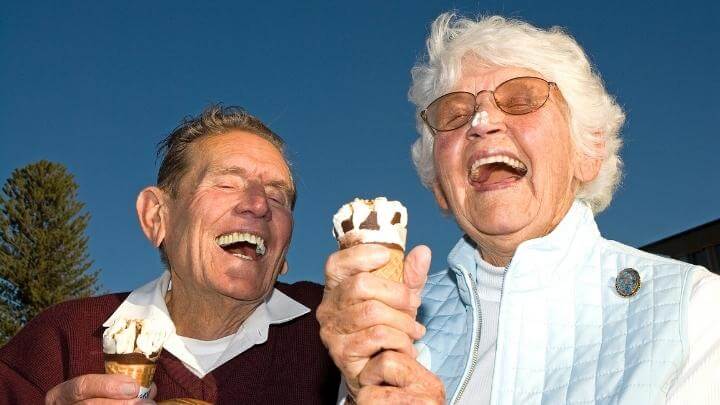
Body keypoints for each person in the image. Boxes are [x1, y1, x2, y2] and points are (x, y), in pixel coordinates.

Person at [317, 12, 720, 404]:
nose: (481, 122)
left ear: (588, 153)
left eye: (521, 100)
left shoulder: (696, 310)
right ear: (439, 186)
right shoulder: (385, 325)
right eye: (454, 115)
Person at [0, 105, 340, 404]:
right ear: (156, 216)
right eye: (226, 183)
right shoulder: (61, 340)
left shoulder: (339, 325)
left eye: (277, 196)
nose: (259, 204)